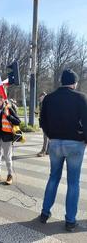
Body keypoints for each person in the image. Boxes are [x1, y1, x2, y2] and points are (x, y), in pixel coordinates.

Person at [39, 69, 87, 232]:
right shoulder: (81, 98)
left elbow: (42, 120)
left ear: (61, 82)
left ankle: (45, 212)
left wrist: (51, 135)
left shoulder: (49, 98)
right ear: (74, 83)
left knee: (53, 177)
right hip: (75, 143)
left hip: (55, 143)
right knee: (73, 182)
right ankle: (70, 220)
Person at [0, 95, 21, 185]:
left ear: (2, 101)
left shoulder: (8, 109)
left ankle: (10, 175)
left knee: (7, 157)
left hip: (7, 138)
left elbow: (18, 121)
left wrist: (8, 116)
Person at [37, 92, 49, 157]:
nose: (41, 98)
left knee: (46, 137)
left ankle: (43, 151)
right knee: (47, 137)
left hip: (47, 122)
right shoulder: (40, 103)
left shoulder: (48, 103)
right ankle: (47, 151)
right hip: (43, 122)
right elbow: (38, 112)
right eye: (41, 97)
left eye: (42, 97)